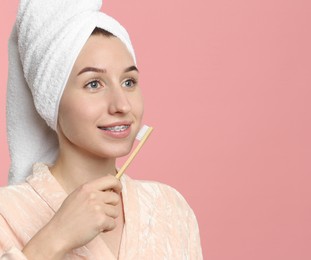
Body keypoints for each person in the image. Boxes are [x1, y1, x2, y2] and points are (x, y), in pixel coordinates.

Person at [0, 0, 202, 259]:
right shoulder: (7, 214)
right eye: (94, 84)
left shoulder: (170, 207)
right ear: (51, 99)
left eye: (129, 82)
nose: (122, 104)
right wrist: (56, 236)